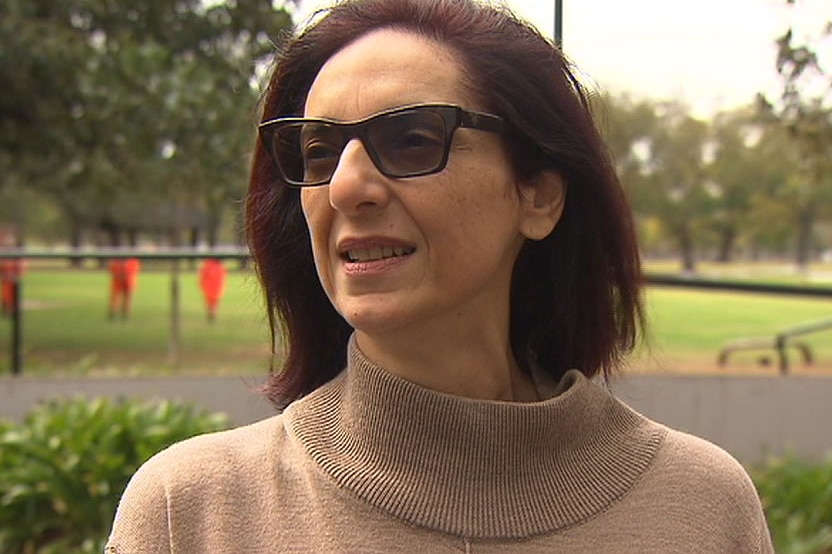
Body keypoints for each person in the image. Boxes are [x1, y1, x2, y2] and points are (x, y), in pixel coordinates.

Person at [106, 0, 773, 551]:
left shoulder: (702, 508)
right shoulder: (191, 513)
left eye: (413, 141)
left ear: (538, 195)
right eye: (318, 151)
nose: (347, 187)